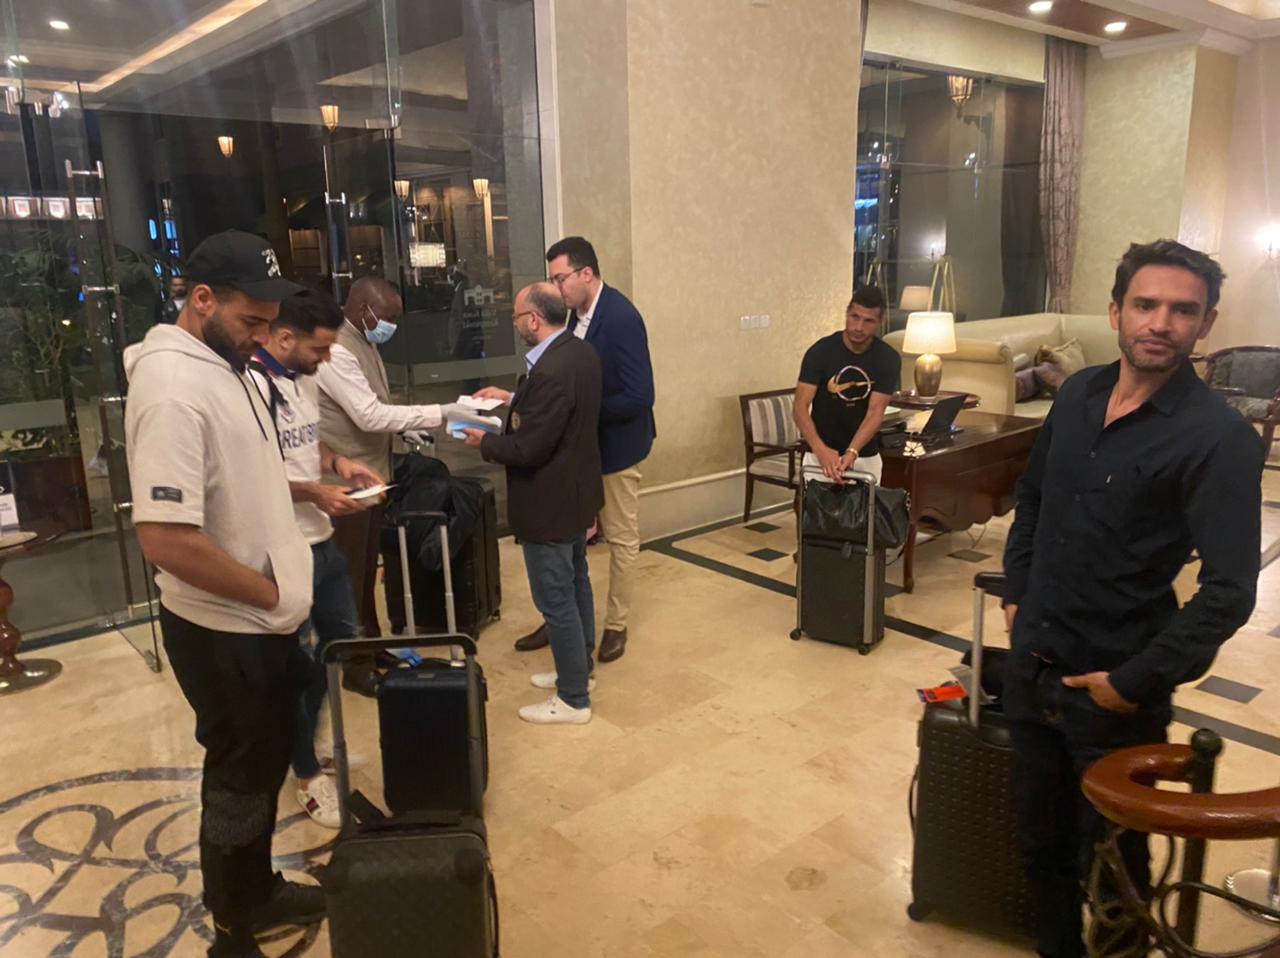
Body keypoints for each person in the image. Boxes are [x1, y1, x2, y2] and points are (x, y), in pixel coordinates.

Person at [1002, 239, 1264, 958]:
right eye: (1146, 304)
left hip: (1113, 692)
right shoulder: (1079, 394)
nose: (1161, 323)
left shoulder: (1219, 438)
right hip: (1032, 668)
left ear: (1206, 323)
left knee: (1117, 867)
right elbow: (1032, 497)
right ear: (1116, 311)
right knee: (1039, 845)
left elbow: (1230, 592)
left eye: (1183, 310)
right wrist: (1017, 592)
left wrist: (1131, 682)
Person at [124, 231, 321, 958]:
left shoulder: (224, 363)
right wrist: (270, 594)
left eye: (270, 323)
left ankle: (257, 887)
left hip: (258, 624)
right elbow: (167, 539)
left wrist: (311, 494)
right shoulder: (173, 389)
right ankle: (232, 927)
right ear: (201, 298)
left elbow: (242, 478)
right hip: (225, 629)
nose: (263, 337)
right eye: (251, 321)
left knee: (262, 766)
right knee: (239, 779)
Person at [247, 288, 384, 830]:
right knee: (297, 666)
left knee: (339, 644)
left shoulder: (302, 378)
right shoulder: (250, 389)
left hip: (322, 542)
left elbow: (307, 446)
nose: (326, 360)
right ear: (284, 337)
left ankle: (304, 742)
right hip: (283, 551)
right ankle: (304, 769)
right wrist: (315, 494)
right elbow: (252, 477)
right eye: (320, 349)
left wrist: (340, 465)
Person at [489, 237, 655, 664]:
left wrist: (583, 414)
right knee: (568, 539)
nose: (556, 287)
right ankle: (562, 619)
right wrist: (515, 400)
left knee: (620, 537)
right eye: (552, 279)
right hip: (577, 451)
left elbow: (640, 395)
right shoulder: (572, 319)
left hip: (616, 448)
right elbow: (560, 390)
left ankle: (616, 623)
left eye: (561, 278)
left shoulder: (620, 317)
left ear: (587, 273)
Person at [462, 282, 603, 724]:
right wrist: (511, 399)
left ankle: (573, 699)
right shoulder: (579, 352)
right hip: (577, 494)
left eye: (517, 317)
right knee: (577, 582)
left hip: (549, 502)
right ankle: (579, 669)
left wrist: (485, 441)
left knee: (556, 598)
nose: (515, 324)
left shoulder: (549, 370)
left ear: (534, 319)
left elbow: (529, 448)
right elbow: (556, 416)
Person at [315, 276, 465, 692]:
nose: (392, 326)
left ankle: (372, 643)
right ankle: (354, 664)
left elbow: (378, 406)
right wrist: (443, 412)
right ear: (363, 309)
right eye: (388, 317)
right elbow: (368, 415)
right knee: (348, 577)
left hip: (370, 477)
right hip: (341, 483)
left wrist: (404, 430)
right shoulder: (336, 350)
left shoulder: (364, 341)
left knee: (365, 572)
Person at [793, 285, 898, 485]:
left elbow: (875, 412)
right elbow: (800, 407)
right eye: (854, 317)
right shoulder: (820, 352)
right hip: (820, 454)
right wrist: (820, 450)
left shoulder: (888, 358)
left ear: (880, 322)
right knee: (818, 505)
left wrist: (852, 452)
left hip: (864, 456)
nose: (858, 327)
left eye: (868, 321)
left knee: (867, 506)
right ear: (847, 314)